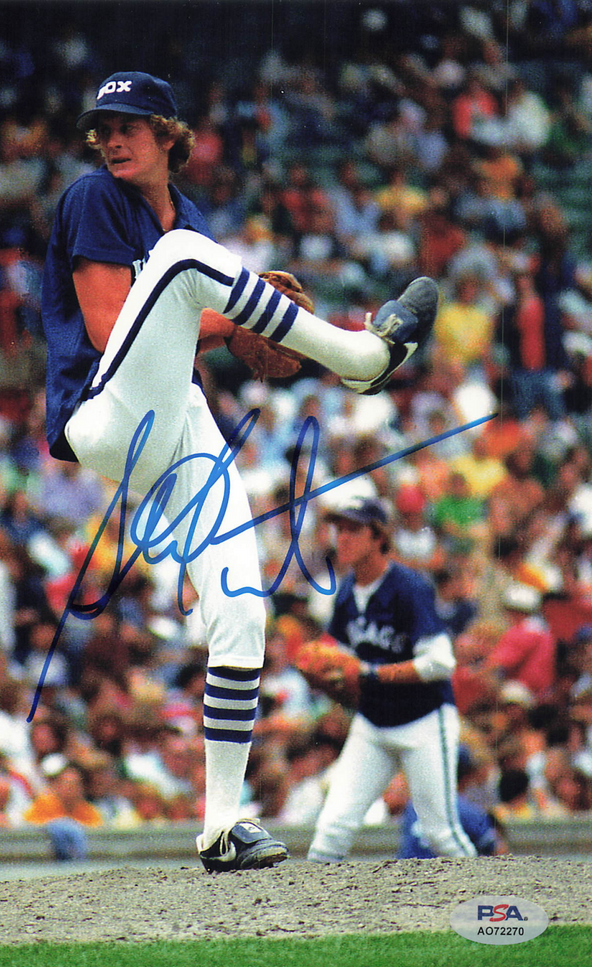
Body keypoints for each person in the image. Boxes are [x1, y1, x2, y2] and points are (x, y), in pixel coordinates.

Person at [40, 71, 438, 873]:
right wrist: (237, 319)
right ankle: (360, 357)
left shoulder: (184, 216)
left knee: (241, 609)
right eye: (102, 128)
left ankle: (221, 825)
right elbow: (111, 328)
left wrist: (235, 324)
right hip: (104, 410)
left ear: (168, 134)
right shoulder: (94, 198)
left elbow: (174, 330)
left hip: (175, 418)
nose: (111, 139)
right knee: (185, 258)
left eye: (128, 125)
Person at [297, 496, 477, 862]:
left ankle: (491, 897)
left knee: (441, 835)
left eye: (354, 529)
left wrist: (370, 673)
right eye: (339, 529)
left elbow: (441, 662)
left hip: (424, 721)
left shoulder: (408, 587)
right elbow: (343, 663)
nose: (343, 537)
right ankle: (311, 904)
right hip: (374, 724)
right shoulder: (347, 591)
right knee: (330, 832)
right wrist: (324, 678)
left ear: (379, 536)